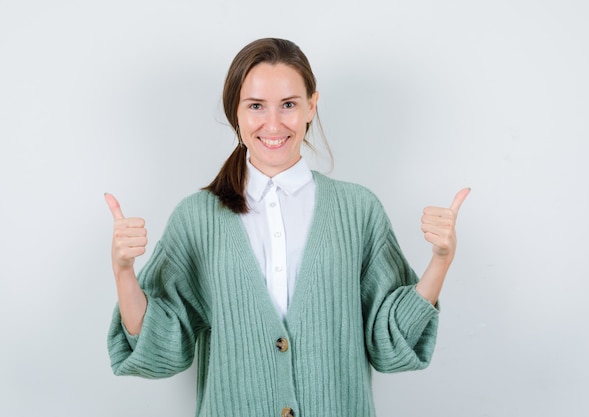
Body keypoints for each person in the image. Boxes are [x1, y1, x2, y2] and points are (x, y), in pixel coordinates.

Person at [105, 37, 470, 417]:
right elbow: (162, 344)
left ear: (311, 105)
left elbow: (390, 342)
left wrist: (440, 261)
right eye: (256, 106)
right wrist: (123, 272)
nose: (273, 123)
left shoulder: (358, 210)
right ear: (237, 112)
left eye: (289, 105)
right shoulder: (197, 217)